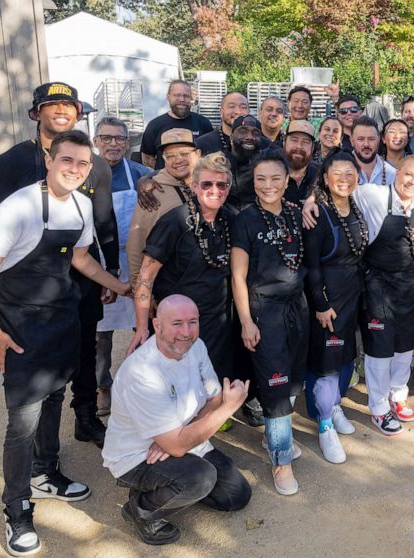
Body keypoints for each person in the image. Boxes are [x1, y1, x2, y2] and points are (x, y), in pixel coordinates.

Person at [0, 130, 129, 556]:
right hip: (19, 326)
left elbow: (79, 257)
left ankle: (46, 472)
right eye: (67, 161)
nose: (75, 170)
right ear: (51, 161)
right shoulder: (17, 208)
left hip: (62, 320)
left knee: (56, 398)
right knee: (22, 423)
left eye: (82, 164)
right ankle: (16, 508)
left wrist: (120, 286)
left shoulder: (80, 205)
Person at [0, 81, 118, 449]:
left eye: (68, 105)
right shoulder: (10, 163)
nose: (61, 110)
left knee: (85, 349)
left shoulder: (97, 166)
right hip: (30, 289)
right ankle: (35, 443)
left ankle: (86, 416)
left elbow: (105, 223)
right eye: (52, 104)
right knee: (36, 364)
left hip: (80, 277)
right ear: (36, 112)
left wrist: (113, 272)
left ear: (79, 113)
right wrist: (0, 294)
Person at [102, 295, 252, 546]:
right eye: (177, 323)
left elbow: (213, 399)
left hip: (179, 438)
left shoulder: (197, 346)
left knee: (236, 495)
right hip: (137, 456)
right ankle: (141, 510)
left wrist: (176, 438)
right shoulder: (142, 373)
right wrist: (229, 407)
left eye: (192, 322)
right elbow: (220, 406)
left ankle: (167, 484)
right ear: (157, 325)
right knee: (200, 477)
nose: (186, 332)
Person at [231, 150, 311, 486]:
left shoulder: (296, 213)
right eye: (261, 179)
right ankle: (281, 462)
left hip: (298, 308)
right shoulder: (244, 219)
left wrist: (312, 202)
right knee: (276, 385)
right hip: (264, 311)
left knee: (292, 380)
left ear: (287, 179)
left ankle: (272, 436)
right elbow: (238, 276)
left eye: (275, 178)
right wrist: (247, 321)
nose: (268, 185)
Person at [128, 153, 235, 387]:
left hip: (217, 320)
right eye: (207, 184)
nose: (214, 190)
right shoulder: (174, 221)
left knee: (210, 383)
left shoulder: (229, 219)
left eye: (222, 185)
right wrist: (143, 326)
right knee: (177, 385)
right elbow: (146, 278)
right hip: (180, 323)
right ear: (195, 186)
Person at [355, 157, 414, 434]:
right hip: (378, 284)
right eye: (408, 175)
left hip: (408, 284)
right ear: (396, 173)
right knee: (380, 347)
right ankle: (379, 407)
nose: (412, 182)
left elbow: (409, 242)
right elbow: (341, 186)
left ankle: (397, 396)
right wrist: (312, 200)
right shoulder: (374, 193)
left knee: (406, 344)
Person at [303, 152, 366, 457]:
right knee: (325, 363)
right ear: (325, 178)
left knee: (344, 357)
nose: (344, 179)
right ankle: (324, 423)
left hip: (352, 295)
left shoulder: (355, 206)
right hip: (328, 300)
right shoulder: (318, 214)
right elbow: (311, 265)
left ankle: (335, 405)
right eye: (337, 174)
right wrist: (320, 303)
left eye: (350, 173)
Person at [93, 117, 150, 415]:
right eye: (107, 138)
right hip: (98, 264)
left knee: (143, 326)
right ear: (95, 141)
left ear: (128, 144)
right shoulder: (83, 174)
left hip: (136, 263)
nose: (113, 144)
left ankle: (144, 382)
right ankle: (103, 385)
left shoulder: (141, 174)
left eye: (119, 139)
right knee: (100, 334)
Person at [126, 129, 202, 286]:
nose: (178, 160)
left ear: (198, 154)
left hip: (207, 287)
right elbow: (137, 241)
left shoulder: (210, 185)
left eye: (184, 154)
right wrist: (137, 286)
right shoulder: (152, 192)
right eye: (170, 156)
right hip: (170, 287)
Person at [140, 80, 214, 170]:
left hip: (196, 180)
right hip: (165, 182)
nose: (182, 99)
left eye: (186, 96)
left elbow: (211, 155)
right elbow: (147, 157)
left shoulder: (203, 123)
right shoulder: (154, 125)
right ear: (168, 97)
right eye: (177, 95)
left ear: (191, 98)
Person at [224, 115, 269, 212]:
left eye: (255, 133)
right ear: (231, 137)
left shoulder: (267, 167)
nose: (250, 137)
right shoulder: (218, 165)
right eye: (243, 132)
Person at [194, 92, 250, 156]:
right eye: (231, 106)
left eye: (243, 107)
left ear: (249, 111)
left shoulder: (260, 143)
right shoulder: (202, 144)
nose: (238, 111)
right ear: (221, 111)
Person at [351, 116, 396, 186]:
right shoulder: (340, 170)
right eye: (360, 139)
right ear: (352, 141)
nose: (366, 144)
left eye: (371, 139)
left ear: (378, 140)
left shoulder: (392, 174)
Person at [284, 120, 321, 204]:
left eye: (305, 142)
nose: (299, 146)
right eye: (294, 140)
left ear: (312, 148)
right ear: (284, 142)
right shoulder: (272, 173)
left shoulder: (320, 175)